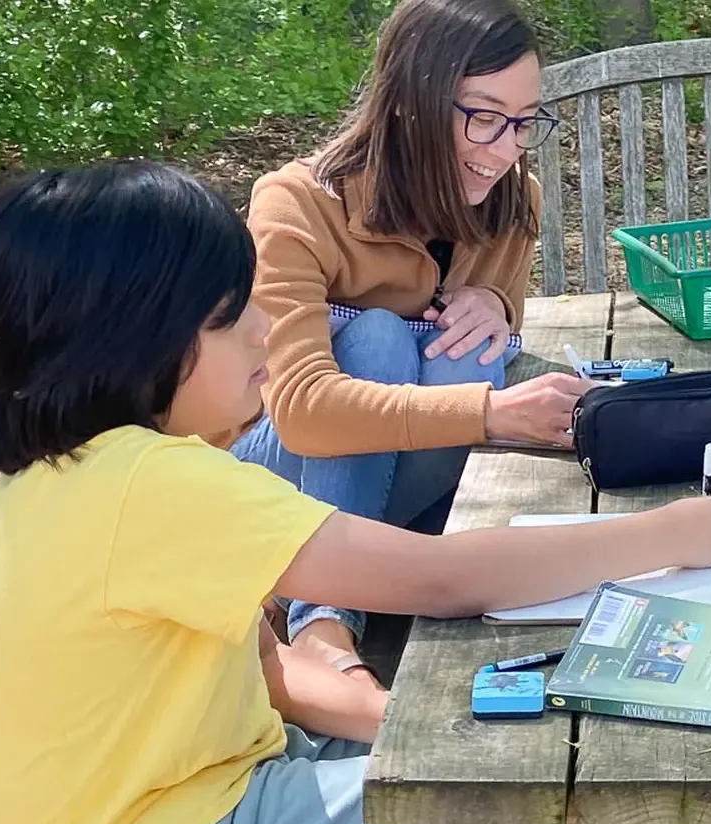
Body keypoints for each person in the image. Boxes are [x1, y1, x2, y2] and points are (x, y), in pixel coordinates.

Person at [0, 160, 711, 824]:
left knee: (490, 720)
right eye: (224, 317)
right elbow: (445, 580)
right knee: (564, 769)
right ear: (123, 341)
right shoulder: (152, 485)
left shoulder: (67, 475)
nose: (265, 330)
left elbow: (273, 674)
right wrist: (670, 534)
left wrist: (402, 719)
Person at [237, 0, 584, 677]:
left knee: (468, 352)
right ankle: (324, 619)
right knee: (377, 338)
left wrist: (494, 305)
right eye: (484, 116)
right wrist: (494, 413)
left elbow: (498, 320)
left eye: (523, 122)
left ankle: (336, 595)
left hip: (385, 508)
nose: (505, 148)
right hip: (266, 485)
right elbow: (301, 410)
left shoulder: (514, 201)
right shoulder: (296, 205)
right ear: (409, 102)